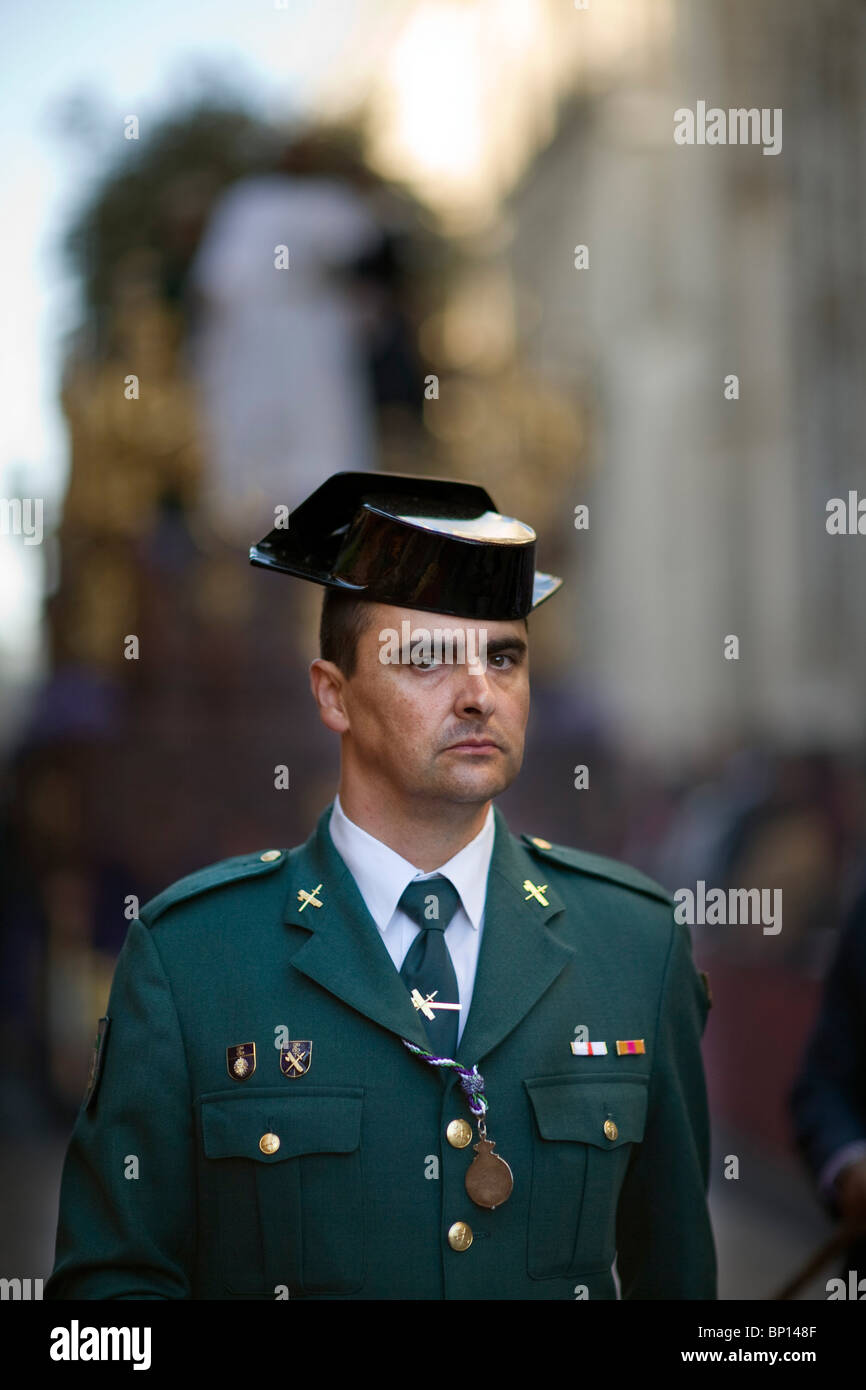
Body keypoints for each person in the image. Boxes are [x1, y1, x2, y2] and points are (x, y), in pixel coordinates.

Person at [46, 471, 716, 1300]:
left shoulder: (635, 945)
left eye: (504, 657)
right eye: (428, 659)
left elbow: (682, 1288)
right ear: (334, 695)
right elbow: (109, 1306)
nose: (479, 694)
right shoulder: (192, 960)